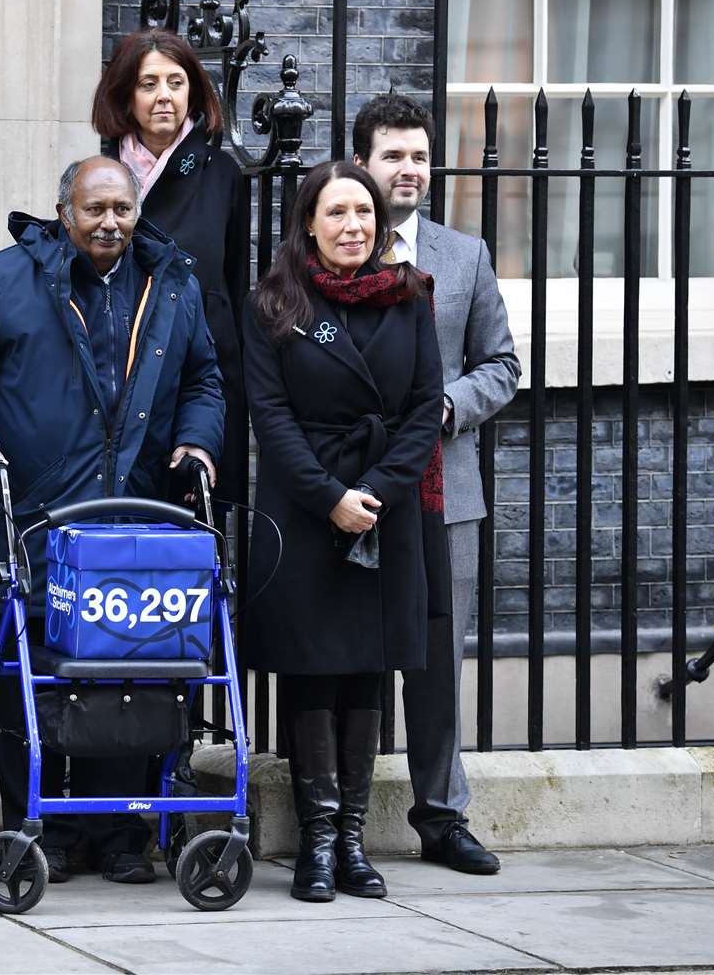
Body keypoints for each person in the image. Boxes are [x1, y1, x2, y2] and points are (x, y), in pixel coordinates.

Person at [0, 156, 224, 886]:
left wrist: (197, 438)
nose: (111, 223)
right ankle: (41, 827)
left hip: (135, 521)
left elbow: (204, 379)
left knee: (128, 671)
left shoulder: (172, 281)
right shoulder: (4, 279)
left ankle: (119, 834)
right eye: (95, 210)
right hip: (37, 519)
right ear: (66, 213)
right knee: (34, 671)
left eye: (122, 209)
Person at [242, 161, 446, 902]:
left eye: (364, 211)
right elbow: (270, 417)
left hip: (384, 508)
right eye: (337, 213)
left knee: (367, 669)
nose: (354, 226)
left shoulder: (411, 297)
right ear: (308, 224)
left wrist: (375, 492)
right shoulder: (274, 303)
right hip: (305, 510)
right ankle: (316, 845)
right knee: (313, 668)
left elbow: (427, 409)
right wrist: (330, 498)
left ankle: (354, 843)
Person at [353, 93, 519, 875]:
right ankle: (339, 819)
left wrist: (449, 405)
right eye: (394, 155)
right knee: (347, 653)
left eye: (419, 156)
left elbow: (504, 366)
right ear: (363, 164)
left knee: (438, 663)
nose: (410, 169)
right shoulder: (333, 247)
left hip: (443, 490)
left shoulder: (464, 256)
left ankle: (442, 816)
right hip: (352, 490)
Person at [92, 29, 248, 501]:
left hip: (196, 375)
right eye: (148, 84)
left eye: (176, 83)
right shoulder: (97, 175)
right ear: (126, 95)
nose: (164, 97)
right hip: (117, 369)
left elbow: (234, 285)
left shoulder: (221, 174)